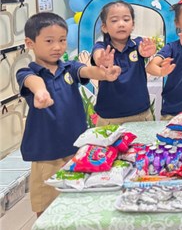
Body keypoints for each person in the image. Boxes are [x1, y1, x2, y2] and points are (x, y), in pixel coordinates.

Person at [16, 12, 121, 215]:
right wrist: (41, 92)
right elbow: (32, 81)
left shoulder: (69, 68)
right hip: (47, 155)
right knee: (48, 207)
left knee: (78, 202)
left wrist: (104, 73)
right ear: (30, 43)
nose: (57, 47)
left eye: (62, 40)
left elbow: (87, 71)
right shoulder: (28, 72)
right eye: (49, 41)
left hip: (76, 150)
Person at [92, 0, 157, 125]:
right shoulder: (101, 46)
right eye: (114, 20)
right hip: (109, 118)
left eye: (126, 19)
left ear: (133, 25)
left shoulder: (138, 44)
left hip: (141, 114)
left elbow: (144, 51)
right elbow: (98, 56)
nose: (121, 24)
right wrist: (102, 60)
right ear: (104, 27)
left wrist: (147, 52)